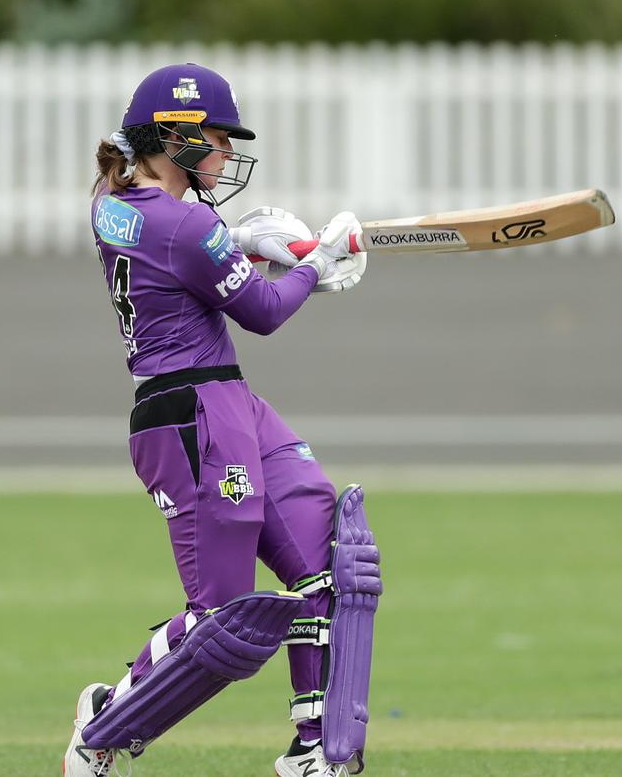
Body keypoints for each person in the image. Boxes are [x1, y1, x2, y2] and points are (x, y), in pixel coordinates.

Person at [62, 63, 382, 777]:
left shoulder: (125, 202)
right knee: (227, 621)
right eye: (216, 137)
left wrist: (243, 242)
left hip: (228, 402)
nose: (228, 152)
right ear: (172, 138)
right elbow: (262, 311)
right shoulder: (180, 222)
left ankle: (316, 750)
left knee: (332, 563)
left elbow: (189, 254)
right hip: (189, 417)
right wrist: (315, 264)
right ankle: (104, 722)